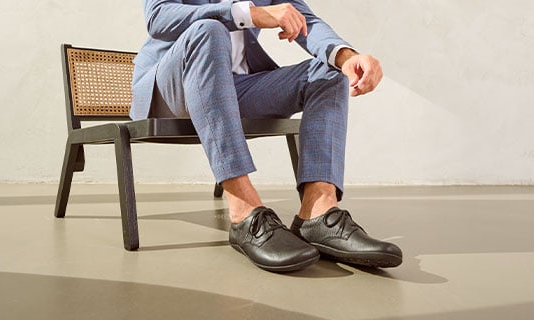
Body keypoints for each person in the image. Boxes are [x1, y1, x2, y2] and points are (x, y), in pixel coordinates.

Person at [133, 0, 402, 272]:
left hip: (236, 87)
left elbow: (305, 20)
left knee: (328, 73)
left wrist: (347, 56)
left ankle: (318, 214)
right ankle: (243, 211)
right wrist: (245, 14)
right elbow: (159, 16)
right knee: (209, 30)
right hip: (169, 89)